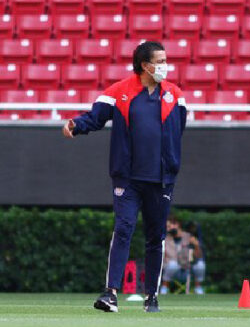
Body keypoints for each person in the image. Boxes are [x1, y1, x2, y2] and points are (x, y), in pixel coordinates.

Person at [62, 41, 186, 313]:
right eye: (160, 61)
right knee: (124, 228)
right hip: (128, 178)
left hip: (161, 180)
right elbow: (95, 118)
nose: (165, 66)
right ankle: (110, 293)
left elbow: (180, 129)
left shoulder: (175, 95)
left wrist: (170, 163)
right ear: (145, 65)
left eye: (166, 60)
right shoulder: (118, 93)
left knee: (155, 237)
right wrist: (76, 125)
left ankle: (151, 296)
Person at [161, 215, 206, 295]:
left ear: (177, 224)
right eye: (166, 227)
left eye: (169, 226)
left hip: (188, 269)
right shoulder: (165, 238)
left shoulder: (188, 237)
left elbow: (198, 256)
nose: (167, 229)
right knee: (172, 264)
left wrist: (196, 246)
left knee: (200, 264)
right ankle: (164, 288)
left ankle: (198, 288)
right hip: (172, 270)